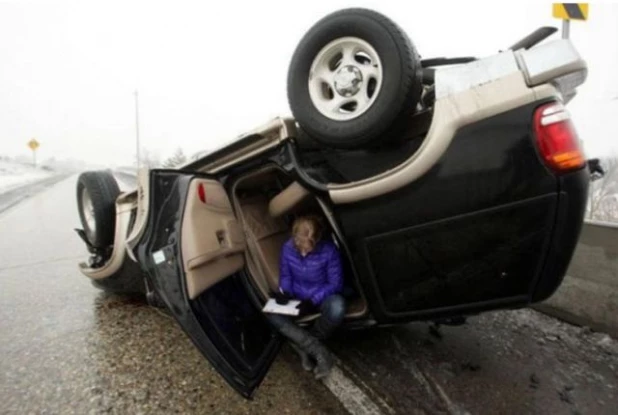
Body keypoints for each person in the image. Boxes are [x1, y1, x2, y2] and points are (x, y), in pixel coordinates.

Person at [267, 215, 345, 379]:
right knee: (269, 312)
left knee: (338, 307)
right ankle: (318, 351)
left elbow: (335, 284)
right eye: (299, 245)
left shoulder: (329, 251)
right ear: (294, 237)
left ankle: (304, 346)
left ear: (317, 240)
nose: (303, 251)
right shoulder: (287, 248)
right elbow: (286, 276)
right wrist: (285, 293)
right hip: (297, 297)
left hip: (320, 296)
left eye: (308, 247)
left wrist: (312, 301)